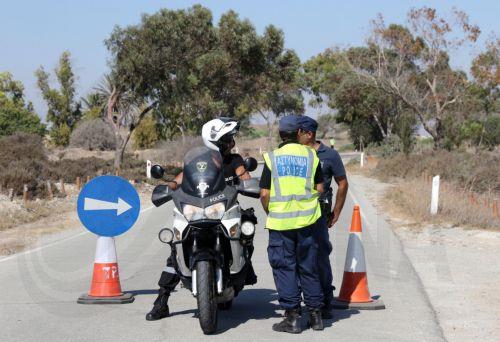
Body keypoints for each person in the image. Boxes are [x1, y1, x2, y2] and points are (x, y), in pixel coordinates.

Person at [146, 117, 258, 321]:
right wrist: (167, 187)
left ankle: (244, 268)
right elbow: (180, 178)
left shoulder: (234, 161)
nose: (232, 141)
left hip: (224, 208)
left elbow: (246, 179)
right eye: (228, 138)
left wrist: (246, 184)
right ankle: (162, 301)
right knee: (176, 249)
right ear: (217, 140)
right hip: (199, 208)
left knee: (246, 228)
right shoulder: (200, 160)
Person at [259, 115, 325, 334]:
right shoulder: (311, 156)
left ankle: (293, 318)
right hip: (308, 222)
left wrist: (271, 210)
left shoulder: (272, 158)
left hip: (280, 224)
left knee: (285, 267)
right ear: (299, 133)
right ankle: (316, 316)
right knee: (309, 267)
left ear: (280, 134)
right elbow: (320, 188)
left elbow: (264, 193)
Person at [298, 116, 348, 318]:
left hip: (319, 213)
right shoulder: (296, 154)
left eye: (299, 133)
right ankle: (308, 301)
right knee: (300, 257)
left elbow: (342, 183)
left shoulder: (331, 155)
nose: (296, 137)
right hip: (297, 213)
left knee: (320, 257)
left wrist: (336, 211)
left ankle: (326, 300)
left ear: (309, 134)